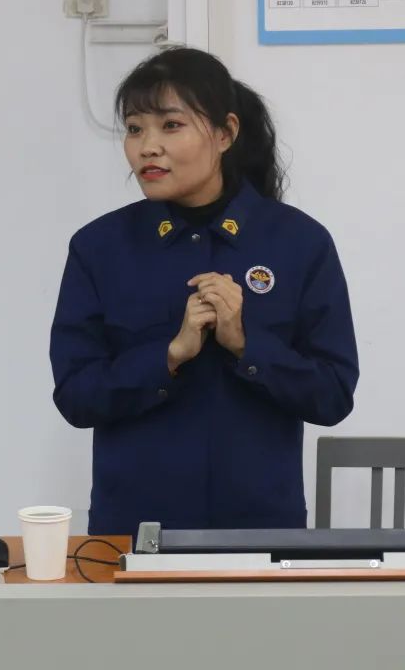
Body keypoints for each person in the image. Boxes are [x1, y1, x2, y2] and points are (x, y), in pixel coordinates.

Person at [49, 47, 359, 538]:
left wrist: (246, 346)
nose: (148, 147)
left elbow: (333, 396)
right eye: (135, 129)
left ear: (225, 133)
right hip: (134, 530)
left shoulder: (299, 243)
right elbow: (76, 397)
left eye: (171, 125)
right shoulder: (99, 248)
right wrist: (169, 356)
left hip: (262, 532)